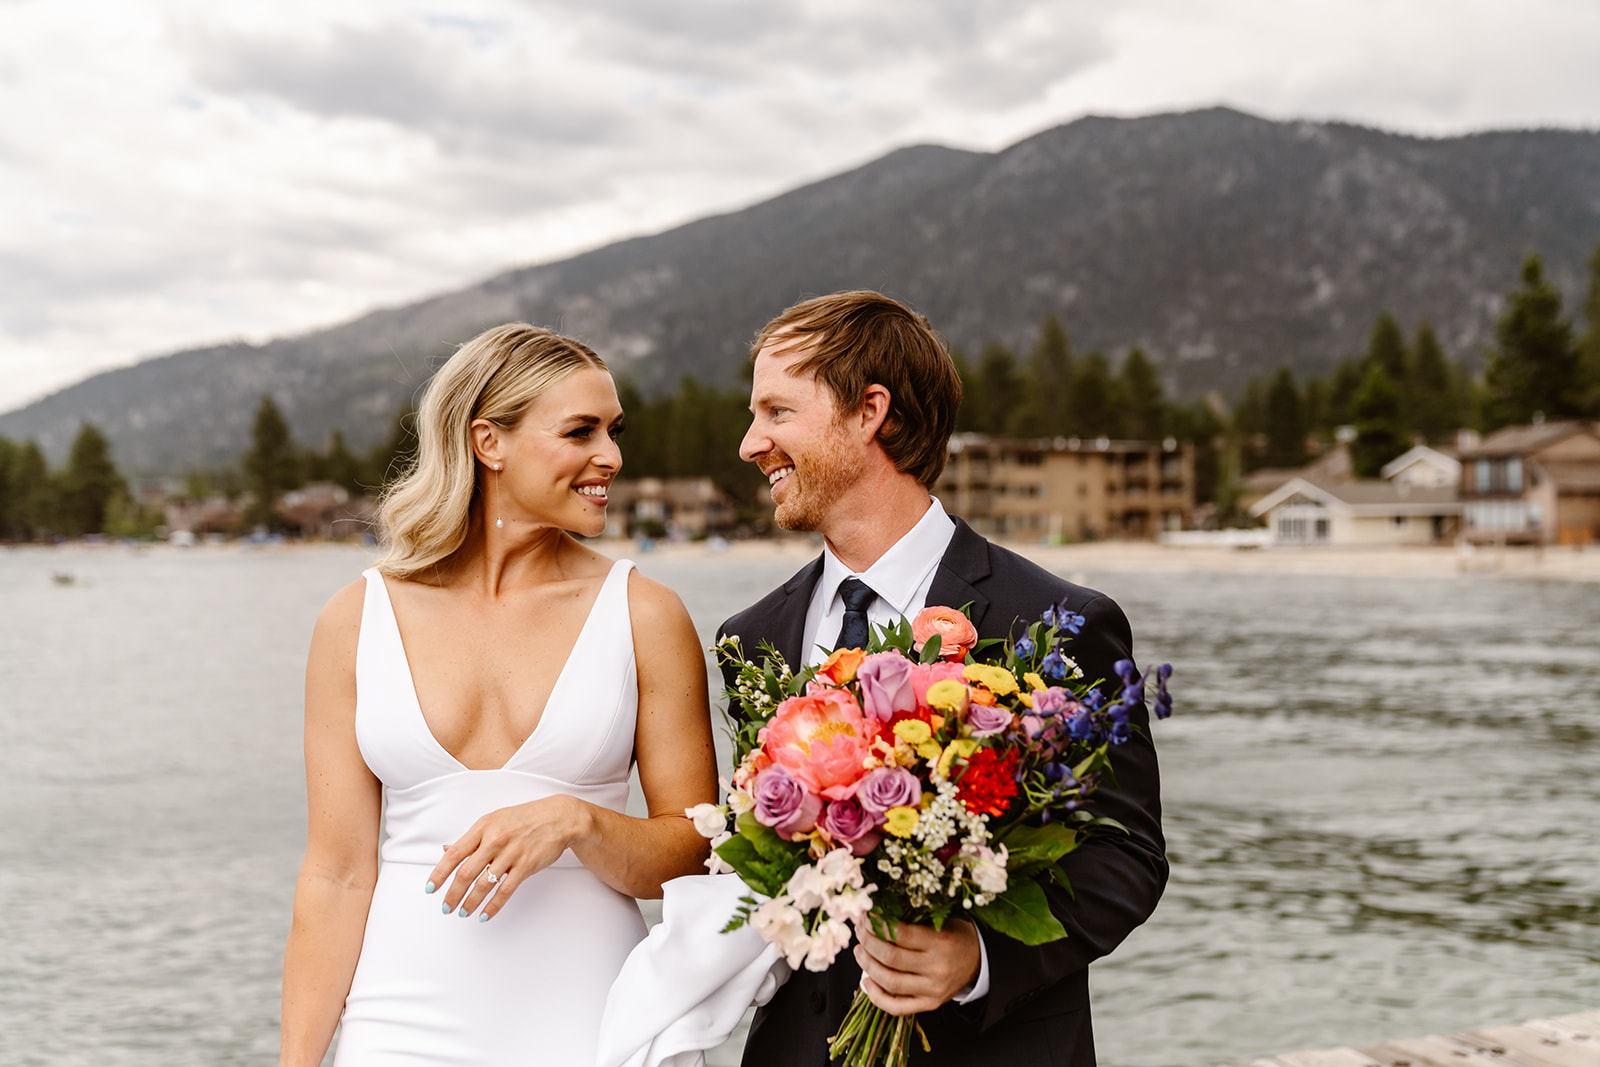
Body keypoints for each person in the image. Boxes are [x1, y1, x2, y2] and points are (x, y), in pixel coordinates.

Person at [717, 291, 1166, 1066]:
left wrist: (979, 957)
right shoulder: (749, 639)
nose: (751, 442)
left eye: (777, 412)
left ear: (869, 411)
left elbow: (1126, 856)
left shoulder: (1054, 619)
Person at [279, 323, 717, 1066]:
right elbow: (336, 874)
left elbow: (694, 850)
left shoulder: (645, 614)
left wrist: (580, 821)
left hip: (591, 1018)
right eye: (580, 431)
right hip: (397, 1024)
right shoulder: (356, 619)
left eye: (613, 430)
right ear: (490, 442)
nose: (610, 457)